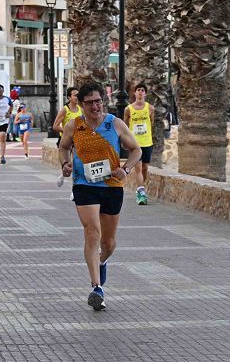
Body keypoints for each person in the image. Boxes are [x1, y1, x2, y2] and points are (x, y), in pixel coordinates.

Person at [58, 82, 142, 311]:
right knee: (91, 231)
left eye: (98, 101)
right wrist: (65, 164)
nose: (95, 106)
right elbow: (63, 147)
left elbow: (136, 150)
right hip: (84, 185)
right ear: (81, 104)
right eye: (90, 102)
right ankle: (97, 288)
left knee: (108, 241)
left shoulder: (114, 123)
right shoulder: (74, 126)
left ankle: (103, 260)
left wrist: (125, 170)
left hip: (112, 185)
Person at [125, 83, 156, 205]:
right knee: (138, 168)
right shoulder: (128, 109)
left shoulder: (150, 108)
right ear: (134, 93)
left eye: (142, 90)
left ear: (145, 93)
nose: (140, 92)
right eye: (138, 90)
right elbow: (125, 125)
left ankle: (141, 187)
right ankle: (141, 192)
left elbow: (151, 123)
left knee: (145, 168)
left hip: (147, 141)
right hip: (134, 143)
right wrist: (126, 140)